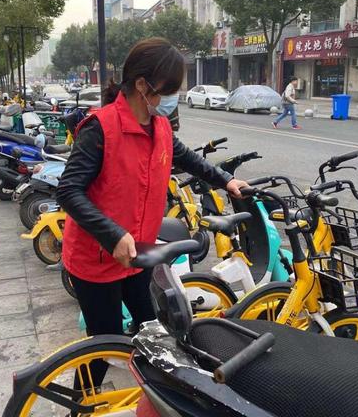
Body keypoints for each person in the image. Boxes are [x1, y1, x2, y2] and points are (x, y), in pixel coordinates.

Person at [55, 37, 248, 385]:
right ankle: (81, 403)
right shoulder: (100, 128)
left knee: (153, 331)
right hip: (97, 259)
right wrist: (112, 234)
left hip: (138, 254)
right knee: (103, 348)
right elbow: (69, 190)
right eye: (168, 91)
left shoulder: (159, 126)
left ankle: (153, 396)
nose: (172, 99)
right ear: (143, 85)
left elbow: (188, 158)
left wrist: (226, 180)